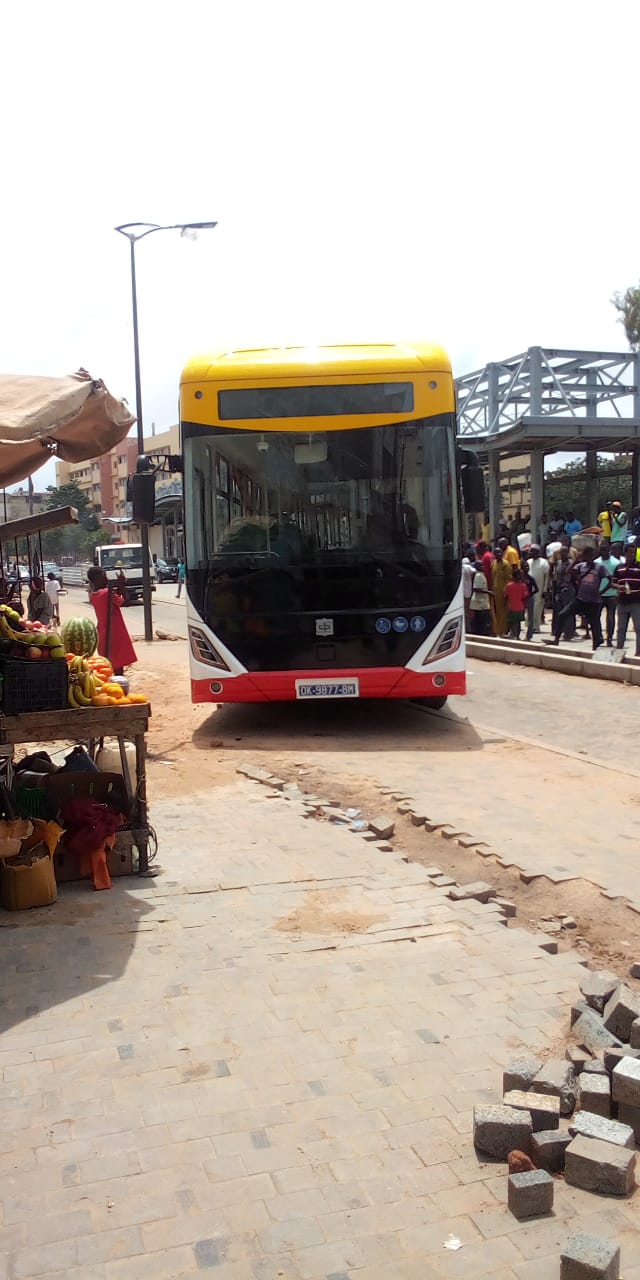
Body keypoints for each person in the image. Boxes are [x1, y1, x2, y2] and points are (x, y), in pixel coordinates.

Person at [553, 547, 608, 650]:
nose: (589, 558)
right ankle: (556, 639)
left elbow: (610, 580)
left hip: (593, 601)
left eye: (591, 555)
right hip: (580, 599)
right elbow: (568, 571)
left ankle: (596, 644)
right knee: (562, 614)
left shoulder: (599, 567)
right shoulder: (580, 566)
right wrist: (575, 560)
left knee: (594, 624)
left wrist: (602, 592)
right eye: (587, 555)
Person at [87, 567, 137, 676]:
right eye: (103, 576)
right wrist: (122, 585)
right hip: (114, 633)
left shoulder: (94, 595)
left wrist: (117, 587)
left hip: (103, 633)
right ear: (96, 578)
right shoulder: (106, 593)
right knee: (118, 668)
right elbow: (125, 600)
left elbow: (114, 598)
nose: (106, 578)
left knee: (108, 666)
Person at [612, 542, 640, 656]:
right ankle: (619, 651)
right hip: (622, 602)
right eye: (630, 553)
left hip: (636, 602)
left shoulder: (639, 567)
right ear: (625, 554)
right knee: (621, 629)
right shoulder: (619, 568)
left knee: (638, 628)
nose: (632, 555)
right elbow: (612, 583)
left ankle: (638, 652)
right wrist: (619, 587)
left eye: (633, 553)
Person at [595, 539, 620, 647]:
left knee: (610, 617)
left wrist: (603, 591)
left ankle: (609, 638)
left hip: (611, 594)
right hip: (597, 595)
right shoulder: (596, 562)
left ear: (609, 549)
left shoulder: (616, 563)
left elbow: (615, 580)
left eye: (605, 549)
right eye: (602, 549)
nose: (604, 551)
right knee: (596, 617)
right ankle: (598, 636)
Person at [526, 545, 549, 634]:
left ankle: (536, 627)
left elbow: (547, 577)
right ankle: (530, 625)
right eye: (530, 551)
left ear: (538, 552)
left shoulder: (544, 563)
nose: (531, 553)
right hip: (529, 590)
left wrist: (545, 590)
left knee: (537, 609)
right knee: (529, 608)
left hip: (539, 590)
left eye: (533, 551)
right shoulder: (528, 562)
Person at [504, 568, 531, 640]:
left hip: (511, 606)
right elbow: (525, 596)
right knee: (518, 623)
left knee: (512, 622)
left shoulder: (508, 585)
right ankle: (517, 636)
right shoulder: (523, 585)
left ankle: (514, 634)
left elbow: (505, 596)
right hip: (520, 607)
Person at [491, 547, 512, 636]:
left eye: (500, 552)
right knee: (497, 612)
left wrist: (506, 591)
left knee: (504, 611)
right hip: (496, 591)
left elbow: (509, 579)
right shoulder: (493, 563)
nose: (498, 554)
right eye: (496, 553)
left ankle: (504, 630)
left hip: (503, 591)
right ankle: (498, 630)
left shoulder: (506, 564)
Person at [469, 561, 493, 635]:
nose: (482, 567)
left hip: (482, 602)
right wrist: (488, 592)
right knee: (481, 620)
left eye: (483, 565)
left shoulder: (481, 574)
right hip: (479, 602)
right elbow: (476, 589)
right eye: (480, 565)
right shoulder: (478, 575)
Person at [522, 561, 539, 640]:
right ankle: (515, 633)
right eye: (525, 567)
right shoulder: (519, 577)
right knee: (517, 616)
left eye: (528, 567)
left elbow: (536, 589)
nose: (527, 568)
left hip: (529, 599)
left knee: (530, 617)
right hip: (520, 599)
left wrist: (530, 594)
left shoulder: (531, 578)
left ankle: (529, 636)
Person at [461, 555, 475, 629]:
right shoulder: (469, 567)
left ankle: (465, 626)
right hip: (468, 593)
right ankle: (468, 627)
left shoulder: (461, 568)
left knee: (463, 610)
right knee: (468, 610)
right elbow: (474, 571)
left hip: (462, 593)